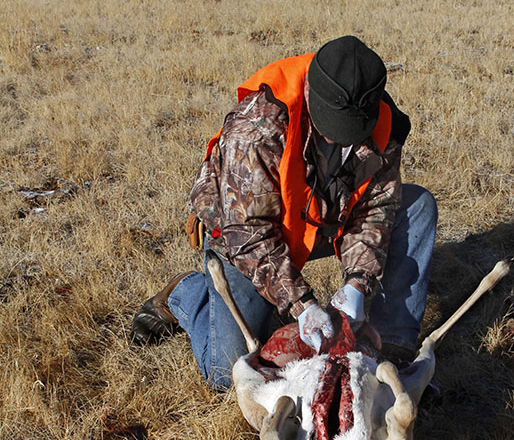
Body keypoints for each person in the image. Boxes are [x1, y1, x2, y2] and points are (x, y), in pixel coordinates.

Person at [132, 35, 437, 389]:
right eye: (332, 127)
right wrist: (301, 303)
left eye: (352, 132)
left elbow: (376, 207)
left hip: (317, 220)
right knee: (228, 373)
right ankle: (186, 293)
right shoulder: (258, 125)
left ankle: (389, 350)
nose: (341, 141)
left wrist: (357, 282)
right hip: (241, 240)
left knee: (417, 207)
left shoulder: (382, 120)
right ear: (310, 93)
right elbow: (247, 232)